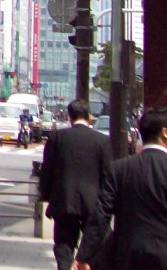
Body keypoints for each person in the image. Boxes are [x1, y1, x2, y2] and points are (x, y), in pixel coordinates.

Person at [76, 106, 167, 270]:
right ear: (165, 133)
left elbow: (101, 215)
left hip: (127, 258)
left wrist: (84, 256)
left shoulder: (119, 169)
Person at [38, 99, 113, 270]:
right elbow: (108, 175)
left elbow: (47, 170)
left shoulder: (57, 137)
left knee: (64, 244)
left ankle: (66, 267)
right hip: (93, 203)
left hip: (64, 200)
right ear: (89, 116)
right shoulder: (102, 141)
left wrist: (46, 195)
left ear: (69, 116)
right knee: (97, 245)